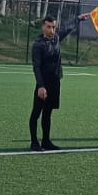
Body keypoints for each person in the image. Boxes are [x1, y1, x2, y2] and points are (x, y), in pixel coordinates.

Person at [30, 13, 84, 151]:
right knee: (36, 113)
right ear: (43, 27)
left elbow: (67, 28)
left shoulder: (56, 38)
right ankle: (34, 142)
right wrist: (41, 86)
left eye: (53, 27)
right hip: (43, 84)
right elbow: (36, 67)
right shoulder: (38, 45)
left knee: (48, 113)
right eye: (48, 27)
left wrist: (78, 19)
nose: (51, 30)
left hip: (55, 83)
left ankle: (46, 141)